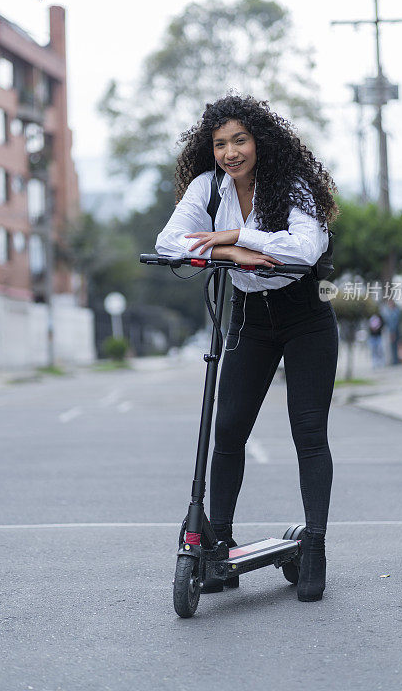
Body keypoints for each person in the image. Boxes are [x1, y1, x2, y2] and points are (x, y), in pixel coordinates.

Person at [155, 94, 339, 602]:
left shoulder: (291, 185)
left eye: (240, 140)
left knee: (308, 432)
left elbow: (305, 247)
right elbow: (171, 241)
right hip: (250, 320)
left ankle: (315, 548)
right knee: (229, 428)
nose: (230, 152)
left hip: (306, 318)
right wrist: (233, 251)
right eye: (220, 144)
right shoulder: (207, 186)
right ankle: (221, 550)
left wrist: (234, 234)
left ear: (260, 141)